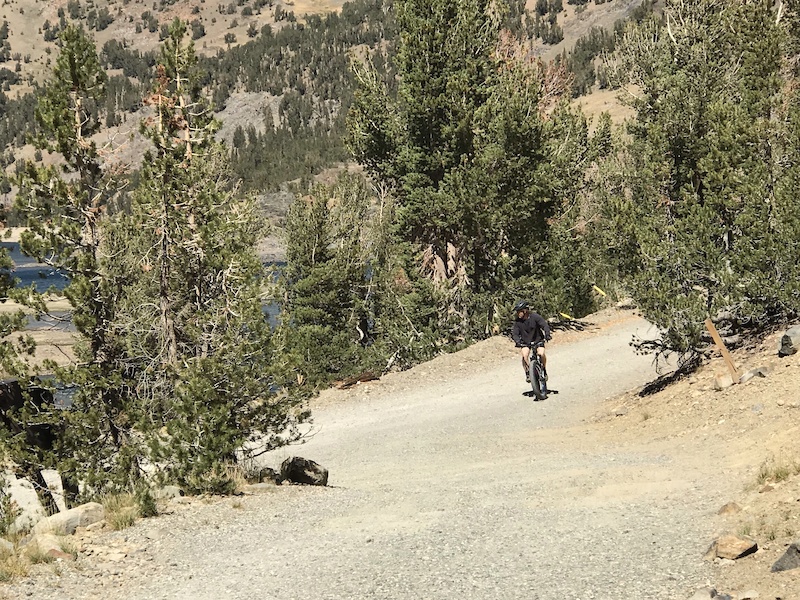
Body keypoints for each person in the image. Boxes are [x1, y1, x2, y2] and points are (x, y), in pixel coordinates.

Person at [511, 300, 551, 383]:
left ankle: (543, 369)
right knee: (524, 355)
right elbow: (515, 333)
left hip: (538, 340)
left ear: (525, 311)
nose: (518, 313)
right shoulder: (518, 322)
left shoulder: (535, 317)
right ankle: (528, 373)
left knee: (541, 354)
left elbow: (544, 325)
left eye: (519, 311)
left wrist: (547, 334)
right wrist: (517, 341)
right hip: (525, 342)